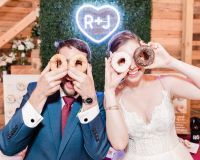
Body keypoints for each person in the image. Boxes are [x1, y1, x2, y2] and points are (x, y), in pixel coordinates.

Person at [0, 38, 110, 160]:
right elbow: (8, 147)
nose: (70, 71)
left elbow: (99, 153)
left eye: (78, 63)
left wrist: (89, 99)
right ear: (55, 65)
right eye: (64, 63)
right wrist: (39, 96)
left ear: (88, 68)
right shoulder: (35, 90)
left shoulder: (98, 101)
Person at [104, 30, 198, 160]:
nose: (131, 66)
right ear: (114, 63)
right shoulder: (113, 96)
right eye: (123, 60)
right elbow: (119, 144)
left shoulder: (163, 83)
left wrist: (169, 61)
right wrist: (108, 90)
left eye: (136, 56)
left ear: (144, 54)